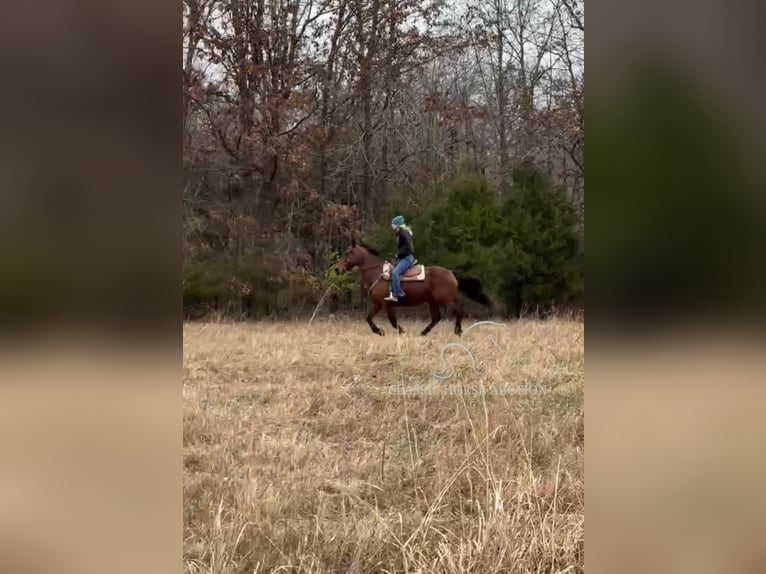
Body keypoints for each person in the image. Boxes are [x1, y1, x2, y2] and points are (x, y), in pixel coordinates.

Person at [384, 215, 415, 302]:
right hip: (402, 258)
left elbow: (409, 248)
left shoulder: (403, 233)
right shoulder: (399, 233)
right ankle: (391, 293)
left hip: (407, 258)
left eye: (393, 224)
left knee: (395, 273)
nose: (391, 225)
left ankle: (398, 293)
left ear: (397, 225)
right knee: (389, 270)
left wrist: (399, 253)